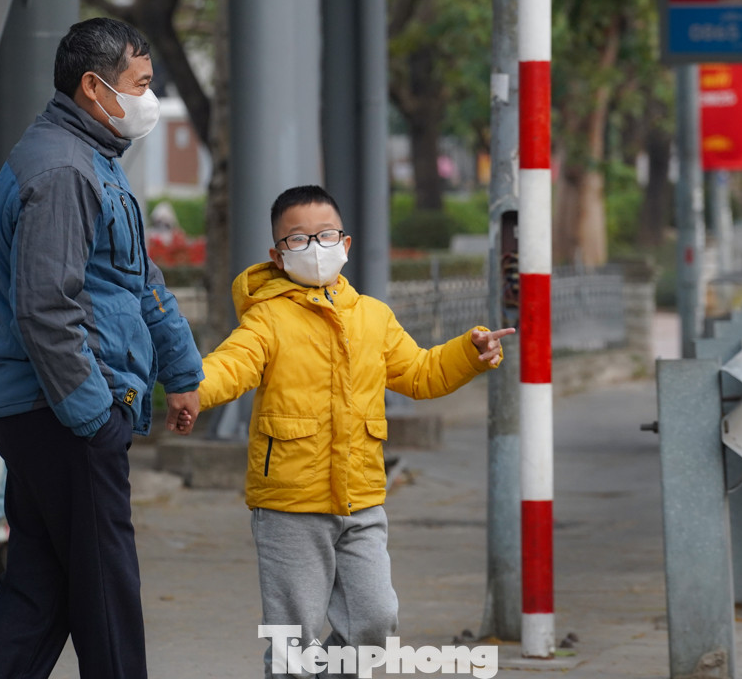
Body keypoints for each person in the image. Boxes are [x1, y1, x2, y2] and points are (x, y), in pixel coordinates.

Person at [176, 184, 513, 678]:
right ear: (276, 254)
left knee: (375, 621)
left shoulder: (373, 317)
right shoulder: (267, 318)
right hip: (290, 506)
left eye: (325, 234)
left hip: (361, 500)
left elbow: (420, 373)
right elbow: (232, 365)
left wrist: (468, 351)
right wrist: (191, 389)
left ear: (346, 243)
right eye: (298, 239)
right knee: (294, 637)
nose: (314, 247)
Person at [0, 18, 204, 679]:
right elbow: (48, 307)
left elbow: (137, 279)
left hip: (54, 414)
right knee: (107, 596)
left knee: (39, 596)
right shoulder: (65, 170)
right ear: (95, 87)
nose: (149, 99)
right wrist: (95, 417)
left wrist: (181, 370)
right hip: (65, 414)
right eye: (142, 84)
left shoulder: (92, 159)